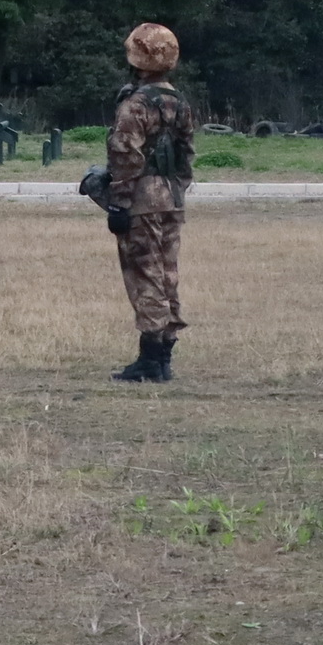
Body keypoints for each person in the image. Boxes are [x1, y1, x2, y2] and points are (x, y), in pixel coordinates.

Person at [100, 23, 198, 380]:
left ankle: (150, 360)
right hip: (171, 197)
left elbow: (125, 155)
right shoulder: (180, 102)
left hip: (142, 199)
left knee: (145, 275)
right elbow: (187, 154)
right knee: (167, 273)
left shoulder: (135, 105)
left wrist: (118, 203)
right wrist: (176, 189)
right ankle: (164, 357)